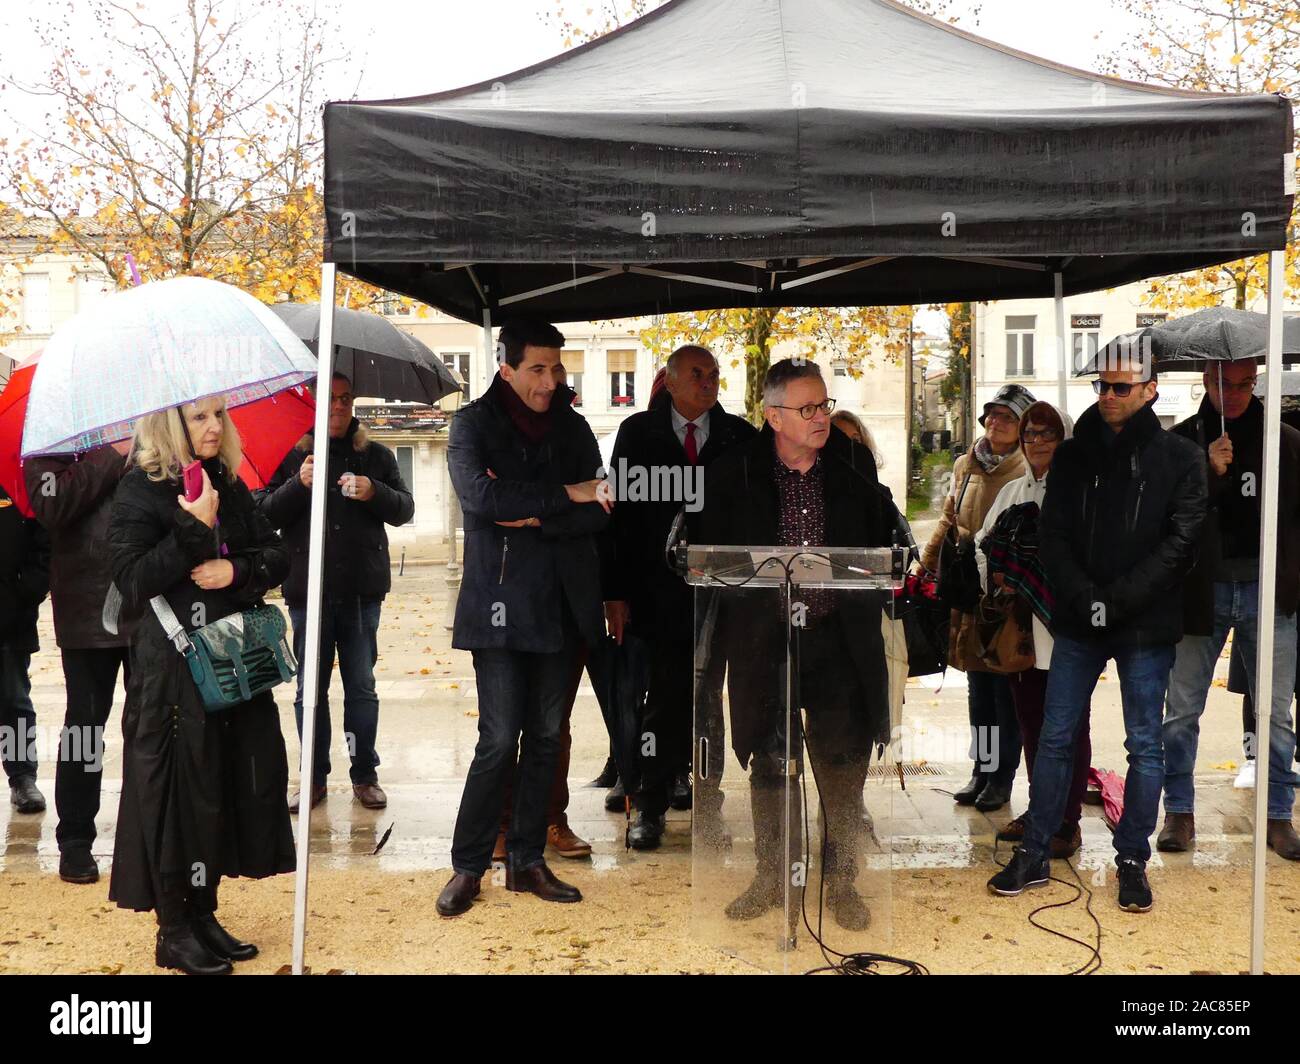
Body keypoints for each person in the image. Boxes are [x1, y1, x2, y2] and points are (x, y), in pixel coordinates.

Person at [989, 362, 1207, 912]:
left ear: (1150, 390)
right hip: (1078, 616)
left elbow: (1182, 543)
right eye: (1101, 386)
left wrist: (1118, 600)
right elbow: (1053, 533)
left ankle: (1131, 859)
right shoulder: (1074, 454)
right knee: (1055, 737)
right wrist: (1086, 598)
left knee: (1144, 745)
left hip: (1144, 620)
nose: (1108, 395)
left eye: (1120, 387)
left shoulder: (1180, 457)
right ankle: (1037, 852)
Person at [699, 358, 894, 931]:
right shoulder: (733, 472)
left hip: (837, 640)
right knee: (769, 762)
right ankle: (771, 874)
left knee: (841, 764)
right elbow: (711, 559)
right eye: (807, 408)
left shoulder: (852, 466)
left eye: (825, 405)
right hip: (766, 640)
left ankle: (842, 881)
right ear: (773, 415)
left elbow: (884, 545)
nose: (821, 418)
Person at [108, 396, 296, 975]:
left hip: (229, 662)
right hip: (171, 673)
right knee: (177, 795)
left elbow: (276, 554)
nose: (214, 426)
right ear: (171, 425)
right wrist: (192, 528)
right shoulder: (140, 489)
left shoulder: (225, 480)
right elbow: (131, 582)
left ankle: (205, 909)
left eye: (220, 415)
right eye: (199, 417)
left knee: (223, 784)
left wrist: (234, 571)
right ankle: (174, 929)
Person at [436, 319, 612, 918]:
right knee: (497, 738)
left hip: (563, 604)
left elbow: (603, 508)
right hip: (501, 605)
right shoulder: (472, 424)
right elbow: (481, 503)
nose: (550, 380)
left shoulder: (574, 424)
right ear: (505, 368)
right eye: (538, 368)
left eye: (557, 369)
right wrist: (568, 494)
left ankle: (528, 861)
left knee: (544, 737)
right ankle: (468, 866)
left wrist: (535, 512)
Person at [603, 344, 757, 850]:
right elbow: (620, 521)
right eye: (697, 374)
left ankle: (708, 807)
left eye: (714, 374)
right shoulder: (638, 434)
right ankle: (648, 805)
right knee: (663, 699)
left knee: (710, 701)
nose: (708, 382)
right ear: (669, 381)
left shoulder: (738, 435)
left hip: (722, 595)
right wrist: (615, 593)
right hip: (657, 594)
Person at [1158, 361, 1300, 858]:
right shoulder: (1180, 444)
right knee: (1181, 711)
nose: (1235, 394)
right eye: (1224, 383)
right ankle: (1179, 811)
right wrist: (1205, 469)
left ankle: (1279, 815)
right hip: (1202, 590)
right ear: (1206, 382)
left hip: (1268, 587)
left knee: (1275, 712)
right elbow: (1166, 516)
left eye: (1244, 384)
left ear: (1256, 382)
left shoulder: (1284, 439)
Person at [257, 372, 414, 813]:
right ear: (312, 404)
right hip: (308, 590)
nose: (339, 407)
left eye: (346, 398)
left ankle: (365, 774)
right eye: (329, 399)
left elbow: (405, 509)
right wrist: (298, 485)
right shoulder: (291, 456)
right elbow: (262, 513)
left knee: (361, 686)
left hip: (363, 590)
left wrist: (373, 492)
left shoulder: (376, 455)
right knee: (310, 690)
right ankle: (314, 777)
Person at [973, 401, 1084, 858]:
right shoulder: (1013, 492)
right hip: (1018, 632)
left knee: (1069, 730)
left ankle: (1067, 820)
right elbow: (983, 545)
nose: (1037, 442)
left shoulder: (1079, 491)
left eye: (1047, 433)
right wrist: (1001, 576)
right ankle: (1042, 810)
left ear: (1064, 439)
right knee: (1031, 722)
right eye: (1031, 434)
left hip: (1068, 633)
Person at [24, 443, 135, 884]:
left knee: (149, 725)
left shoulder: (151, 419)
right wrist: (113, 453)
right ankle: (74, 840)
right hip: (85, 607)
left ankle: (141, 832)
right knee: (85, 726)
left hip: (148, 600)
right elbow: (52, 504)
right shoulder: (54, 436)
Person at [921, 384, 1035, 812]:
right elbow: (949, 518)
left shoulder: (1027, 467)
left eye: (1006, 417)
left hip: (1005, 599)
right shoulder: (966, 464)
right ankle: (981, 769)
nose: (995, 422)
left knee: (1004, 691)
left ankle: (1003, 778)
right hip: (968, 592)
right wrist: (927, 567)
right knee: (978, 692)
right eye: (992, 414)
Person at [0, 484, 50, 812]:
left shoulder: (16, 478)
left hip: (8, 612)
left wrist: (25, 590)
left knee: (12, 697)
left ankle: (22, 777)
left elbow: (44, 542)